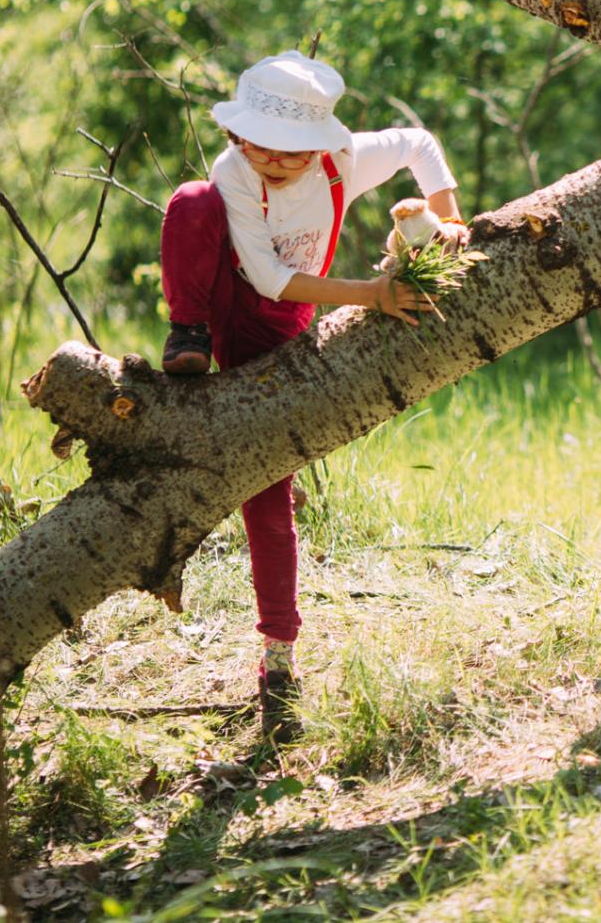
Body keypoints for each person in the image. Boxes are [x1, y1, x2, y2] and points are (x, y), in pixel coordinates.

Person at [157, 50, 467, 743]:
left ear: (319, 146)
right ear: (237, 136)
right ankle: (185, 333)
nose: (272, 160)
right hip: (233, 311)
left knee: (269, 500)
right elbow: (266, 275)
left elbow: (419, 144)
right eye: (256, 144)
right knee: (189, 203)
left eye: (291, 153)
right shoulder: (232, 175)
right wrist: (372, 296)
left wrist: (449, 219)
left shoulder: (341, 162)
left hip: (287, 333)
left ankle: (279, 663)